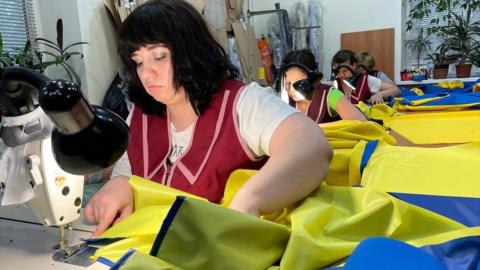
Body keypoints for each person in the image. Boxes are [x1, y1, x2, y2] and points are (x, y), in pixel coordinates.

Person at [85, 0, 332, 237]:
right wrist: (119, 184)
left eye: (159, 56)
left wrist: (250, 200)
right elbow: (127, 173)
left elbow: (313, 146)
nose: (146, 73)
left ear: (190, 51)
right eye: (138, 62)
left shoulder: (241, 103)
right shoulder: (141, 115)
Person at [282, 49, 367, 124]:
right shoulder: (285, 100)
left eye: (298, 83)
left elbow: (362, 124)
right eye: (287, 82)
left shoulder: (331, 95)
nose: (291, 90)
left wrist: (318, 128)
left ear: (314, 79)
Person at [331, 50, 400, 104]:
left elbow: (396, 90)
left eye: (345, 71)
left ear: (354, 65)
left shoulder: (367, 80)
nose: (341, 75)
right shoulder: (336, 82)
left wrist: (380, 94)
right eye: (338, 72)